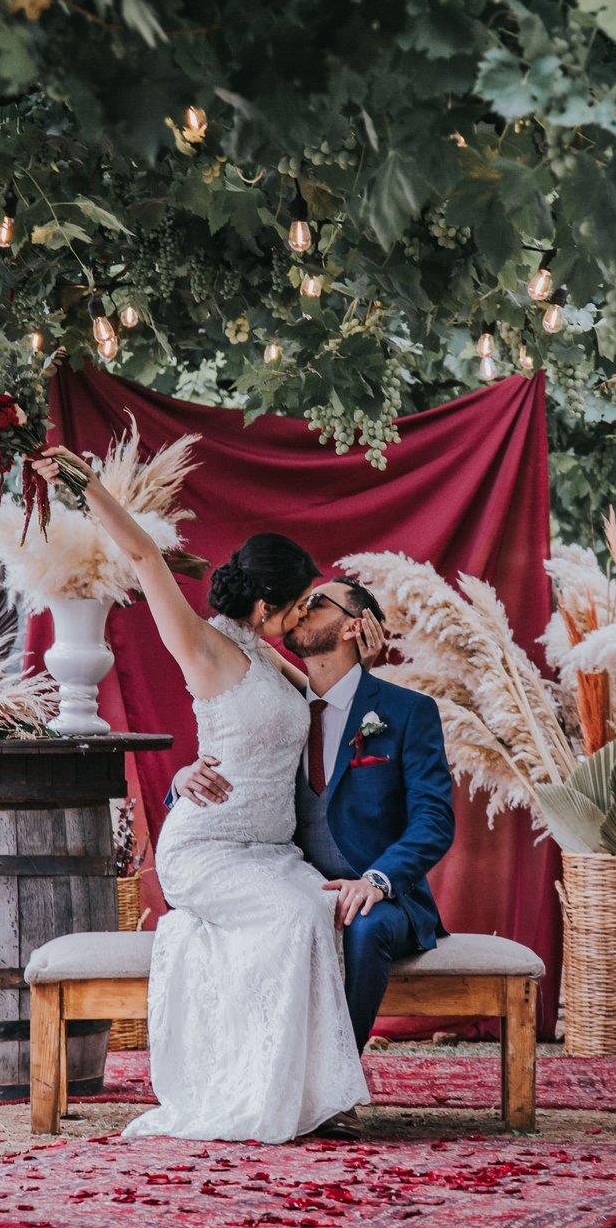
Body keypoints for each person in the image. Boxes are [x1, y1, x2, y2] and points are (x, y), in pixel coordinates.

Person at [30, 446, 383, 1143]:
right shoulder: (203, 647)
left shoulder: (262, 652)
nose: (307, 614)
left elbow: (323, 702)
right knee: (293, 920)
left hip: (271, 851)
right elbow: (143, 557)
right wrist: (89, 486)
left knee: (316, 912)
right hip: (210, 849)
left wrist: (363, 652)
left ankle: (312, 1095)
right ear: (265, 604)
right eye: (301, 603)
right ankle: (259, 1094)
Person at [172, 574, 456, 1137]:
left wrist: (378, 878)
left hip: (383, 895)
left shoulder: (404, 712)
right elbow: (236, 777)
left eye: (316, 603)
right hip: (282, 880)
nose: (298, 611)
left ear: (354, 626)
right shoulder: (279, 707)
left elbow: (434, 820)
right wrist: (181, 780)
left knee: (361, 923)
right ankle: (264, 1081)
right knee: (296, 917)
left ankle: (332, 1093)